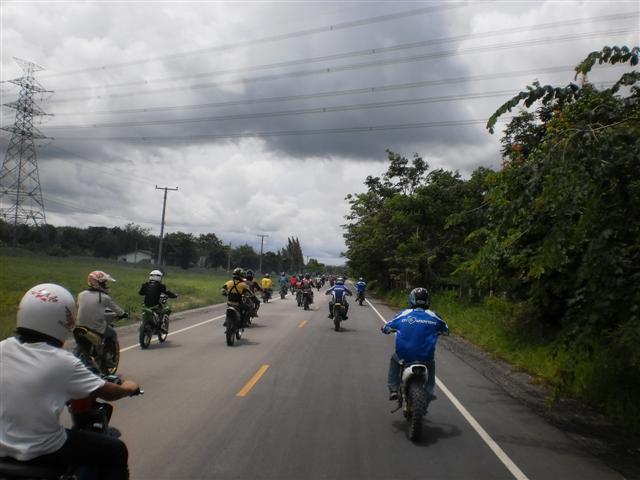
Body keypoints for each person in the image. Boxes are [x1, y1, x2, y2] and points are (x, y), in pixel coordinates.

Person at [0, 283, 140, 479]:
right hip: (42, 449)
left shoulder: (3, 347)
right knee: (116, 450)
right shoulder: (63, 361)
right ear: (64, 319)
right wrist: (128, 387)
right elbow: (109, 393)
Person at [381, 287, 449, 401]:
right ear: (427, 300)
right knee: (431, 363)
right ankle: (430, 390)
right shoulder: (434, 316)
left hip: (404, 355)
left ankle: (393, 388)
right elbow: (446, 330)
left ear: (412, 299)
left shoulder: (404, 314)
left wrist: (386, 329)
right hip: (426, 357)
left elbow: (386, 327)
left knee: (394, 359)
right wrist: (438, 331)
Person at [76, 271, 127, 368]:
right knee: (112, 334)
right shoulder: (104, 297)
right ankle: (106, 360)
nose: (105, 285)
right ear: (97, 283)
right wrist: (124, 314)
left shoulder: (81, 294)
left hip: (79, 327)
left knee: (79, 343)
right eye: (103, 283)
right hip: (96, 328)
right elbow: (118, 310)